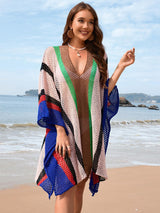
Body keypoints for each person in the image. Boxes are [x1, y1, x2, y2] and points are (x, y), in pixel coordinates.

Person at [35, 2, 135, 213]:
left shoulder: (99, 56)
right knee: (65, 186)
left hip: (89, 132)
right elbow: (47, 93)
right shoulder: (52, 54)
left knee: (79, 186)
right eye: (81, 20)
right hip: (61, 131)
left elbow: (102, 93)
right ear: (70, 23)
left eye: (91, 22)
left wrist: (120, 67)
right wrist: (60, 130)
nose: (86, 26)